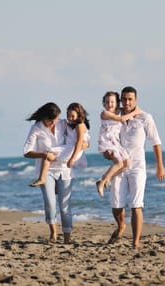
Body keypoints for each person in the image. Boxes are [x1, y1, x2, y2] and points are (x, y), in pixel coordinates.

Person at [107, 86, 165, 249]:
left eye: (130, 99)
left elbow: (156, 142)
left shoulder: (145, 118)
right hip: (119, 166)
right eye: (124, 99)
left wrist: (160, 166)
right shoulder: (115, 117)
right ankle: (120, 226)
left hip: (137, 167)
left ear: (136, 100)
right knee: (116, 205)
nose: (127, 102)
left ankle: (135, 242)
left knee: (136, 205)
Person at [23, 102, 89, 244]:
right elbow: (27, 152)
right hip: (47, 171)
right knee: (50, 203)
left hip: (65, 169)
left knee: (65, 206)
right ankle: (53, 233)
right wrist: (44, 154)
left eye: (56, 120)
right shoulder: (36, 129)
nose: (54, 123)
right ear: (44, 117)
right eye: (50, 120)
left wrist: (84, 145)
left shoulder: (63, 123)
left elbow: (81, 136)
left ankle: (67, 238)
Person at [29, 102, 90, 188]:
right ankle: (54, 183)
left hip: (74, 149)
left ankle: (42, 178)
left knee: (48, 153)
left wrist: (72, 158)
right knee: (49, 155)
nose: (70, 118)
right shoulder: (69, 125)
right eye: (68, 115)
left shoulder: (79, 125)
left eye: (72, 116)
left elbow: (79, 142)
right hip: (70, 148)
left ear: (79, 115)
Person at [95, 91, 141, 197]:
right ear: (104, 104)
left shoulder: (119, 111)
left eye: (112, 102)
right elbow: (121, 119)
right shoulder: (105, 113)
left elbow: (127, 110)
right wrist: (135, 112)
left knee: (127, 163)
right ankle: (102, 182)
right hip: (107, 141)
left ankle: (104, 179)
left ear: (117, 103)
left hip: (116, 142)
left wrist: (136, 110)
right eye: (107, 102)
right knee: (119, 163)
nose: (109, 104)